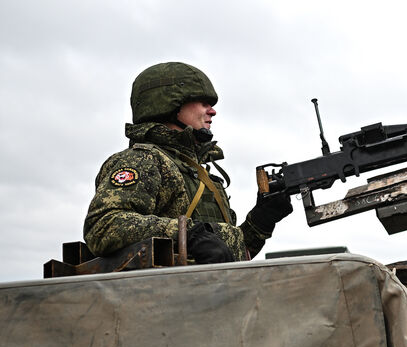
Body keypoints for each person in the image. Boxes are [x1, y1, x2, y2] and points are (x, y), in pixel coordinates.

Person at [84, 62, 292, 264]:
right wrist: (188, 234)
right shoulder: (144, 160)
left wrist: (262, 219)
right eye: (203, 102)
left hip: (208, 292)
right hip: (164, 295)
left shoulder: (197, 172)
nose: (212, 111)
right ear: (170, 105)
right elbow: (103, 227)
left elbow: (226, 257)